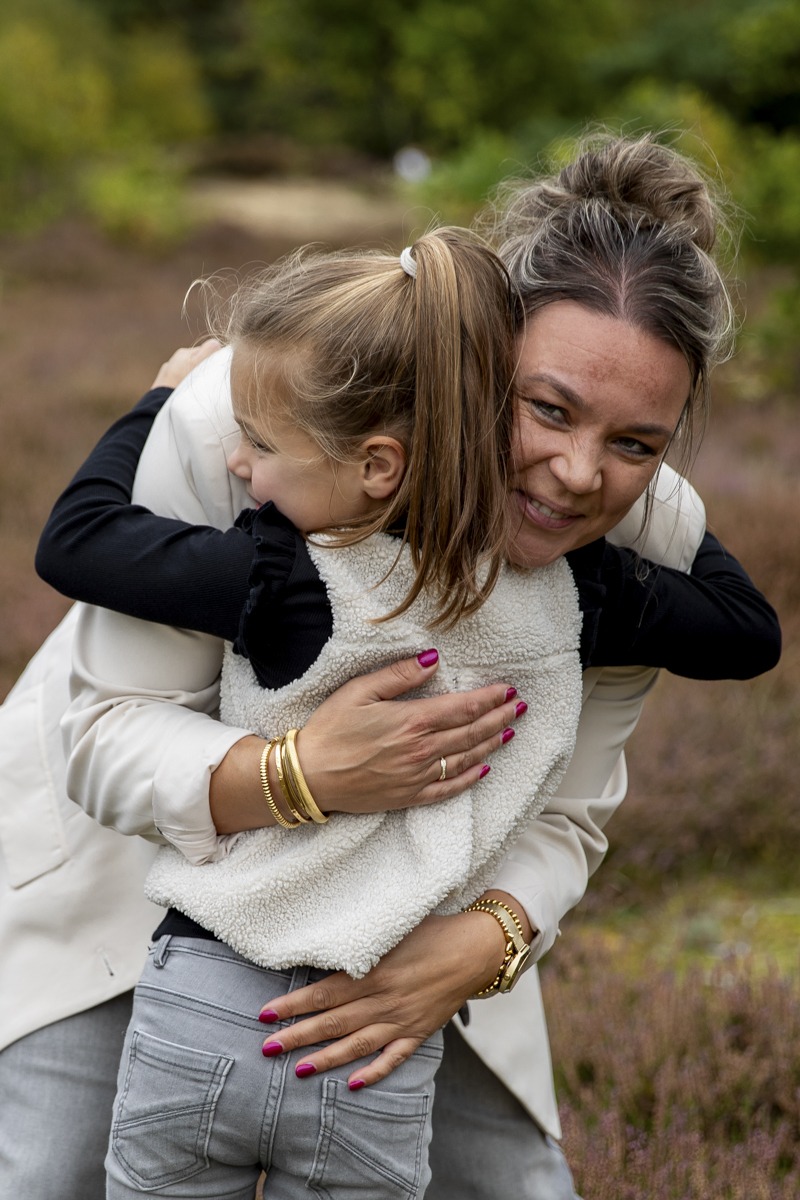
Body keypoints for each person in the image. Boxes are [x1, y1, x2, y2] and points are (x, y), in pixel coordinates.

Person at [2, 133, 781, 1200]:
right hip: (128, 875)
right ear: (469, 355)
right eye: (545, 408)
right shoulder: (248, 415)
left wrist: (483, 942)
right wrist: (299, 775)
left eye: (635, 442)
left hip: (416, 915)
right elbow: (100, 733)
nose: (577, 472)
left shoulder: (632, 537)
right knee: (49, 1178)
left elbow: (563, 812)